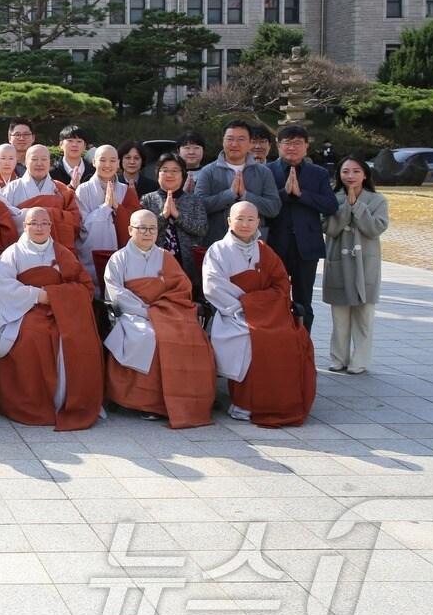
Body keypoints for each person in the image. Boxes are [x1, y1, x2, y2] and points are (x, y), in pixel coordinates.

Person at [202, 201, 316, 426]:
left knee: (290, 337)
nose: (245, 224)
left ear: (258, 222)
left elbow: (281, 283)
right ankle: (244, 403)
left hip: (266, 314)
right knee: (249, 338)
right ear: (229, 221)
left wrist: (256, 305)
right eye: (240, 219)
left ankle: (281, 402)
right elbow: (213, 287)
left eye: (250, 219)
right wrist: (245, 307)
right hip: (232, 315)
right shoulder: (218, 250)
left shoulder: (265, 251)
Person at [0, 209, 105, 430]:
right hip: (25, 310)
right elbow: (3, 287)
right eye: (34, 223)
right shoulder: (12, 254)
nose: (39, 228)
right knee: (34, 335)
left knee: (78, 337)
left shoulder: (63, 253)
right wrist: (37, 296)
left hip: (62, 310)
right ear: (25, 226)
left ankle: (68, 401)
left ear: (51, 227)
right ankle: (34, 403)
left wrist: (54, 296)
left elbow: (85, 286)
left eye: (44, 223)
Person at [103, 210, 216, 428]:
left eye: (152, 229)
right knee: (148, 336)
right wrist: (145, 311)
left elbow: (181, 288)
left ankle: (190, 398)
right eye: (142, 228)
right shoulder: (119, 259)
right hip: (134, 314)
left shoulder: (165, 256)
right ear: (130, 230)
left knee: (190, 334)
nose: (147, 233)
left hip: (166, 310)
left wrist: (160, 309)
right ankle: (147, 402)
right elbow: (116, 293)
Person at [266, 124, 338, 330]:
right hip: (274, 245)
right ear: (278, 146)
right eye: (287, 143)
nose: (292, 148)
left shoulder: (318, 173)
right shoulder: (266, 171)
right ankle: (278, 342)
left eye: (298, 143)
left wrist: (301, 195)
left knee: (304, 301)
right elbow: (262, 205)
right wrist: (284, 194)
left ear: (307, 146)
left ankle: (303, 343)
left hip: (306, 247)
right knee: (274, 298)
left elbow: (331, 205)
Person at [322, 156, 389, 374]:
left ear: (365, 175)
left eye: (356, 171)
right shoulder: (332, 199)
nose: (350, 176)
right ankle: (338, 357)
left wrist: (357, 207)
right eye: (345, 171)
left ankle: (360, 359)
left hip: (365, 264)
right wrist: (345, 209)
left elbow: (375, 228)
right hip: (338, 262)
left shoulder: (377, 200)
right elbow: (329, 228)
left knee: (364, 315)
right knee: (339, 315)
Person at [194, 119, 281, 246]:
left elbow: (273, 208)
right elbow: (198, 207)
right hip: (217, 242)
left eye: (241, 139)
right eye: (230, 139)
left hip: (254, 243)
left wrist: (246, 195)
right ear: (223, 141)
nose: (234, 144)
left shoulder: (263, 172)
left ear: (249, 143)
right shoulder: (208, 171)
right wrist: (229, 195)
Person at [75, 145, 142, 283]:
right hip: (90, 254)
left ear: (118, 163)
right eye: (102, 160)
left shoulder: (126, 191)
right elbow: (79, 226)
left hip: (121, 252)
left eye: (112, 160)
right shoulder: (82, 190)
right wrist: (105, 208)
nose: (107, 165)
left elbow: (137, 225)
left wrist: (117, 207)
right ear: (94, 162)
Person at [0, 144, 82, 253]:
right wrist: (41, 216)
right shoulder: (10, 189)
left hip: (56, 251)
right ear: (26, 162)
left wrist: (28, 215)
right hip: (22, 250)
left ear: (49, 162)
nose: (39, 163)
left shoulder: (61, 190)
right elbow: (2, 219)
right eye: (34, 159)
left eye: (44, 159)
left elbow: (75, 220)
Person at [140, 153, 206, 284]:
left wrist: (177, 216)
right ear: (158, 174)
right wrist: (164, 215)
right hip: (154, 260)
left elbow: (202, 230)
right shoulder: (147, 199)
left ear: (183, 174)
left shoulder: (194, 200)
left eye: (175, 171)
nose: (169, 175)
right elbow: (141, 231)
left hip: (187, 262)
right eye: (164, 170)